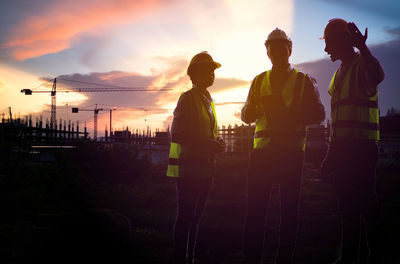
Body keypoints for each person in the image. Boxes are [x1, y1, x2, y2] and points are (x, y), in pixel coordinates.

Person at [241, 28, 325, 264]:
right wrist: (254, 109)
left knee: (289, 213)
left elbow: (319, 113)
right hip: (262, 156)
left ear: (290, 49)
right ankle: (251, 258)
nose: (277, 52)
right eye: (272, 47)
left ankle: (284, 259)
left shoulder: (305, 81)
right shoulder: (258, 81)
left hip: (290, 155)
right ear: (267, 51)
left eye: (281, 47)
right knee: (255, 211)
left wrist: (293, 115)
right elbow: (245, 114)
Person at [320, 18, 385, 264]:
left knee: (366, 205)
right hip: (343, 150)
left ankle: (376, 254)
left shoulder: (362, 66)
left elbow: (378, 75)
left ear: (343, 41)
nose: (326, 50)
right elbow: (337, 121)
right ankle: (349, 256)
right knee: (348, 208)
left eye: (328, 43)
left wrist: (364, 48)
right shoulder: (337, 77)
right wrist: (331, 153)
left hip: (361, 149)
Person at [167, 51, 225, 264]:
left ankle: (189, 258)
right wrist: (208, 144)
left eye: (212, 70)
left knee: (195, 219)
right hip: (188, 171)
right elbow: (178, 133)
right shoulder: (187, 98)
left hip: (204, 169)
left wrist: (217, 143)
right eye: (207, 70)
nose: (211, 74)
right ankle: (181, 258)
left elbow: (206, 133)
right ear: (194, 74)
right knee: (186, 218)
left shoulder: (208, 101)